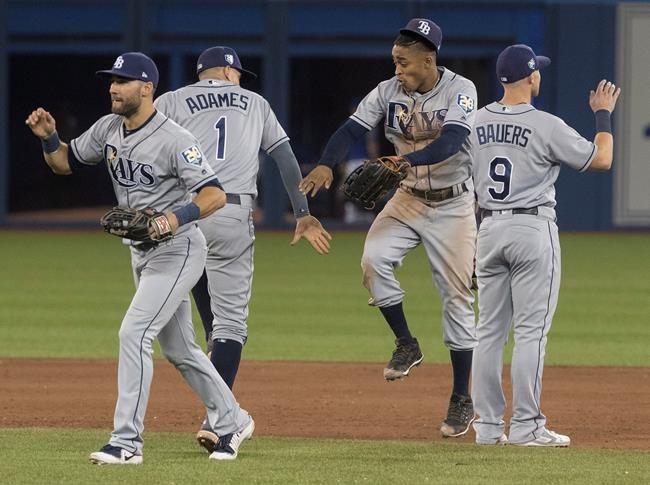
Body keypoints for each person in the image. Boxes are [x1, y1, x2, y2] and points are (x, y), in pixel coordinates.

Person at [25, 52, 255, 464]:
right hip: (142, 253)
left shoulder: (175, 138)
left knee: (134, 333)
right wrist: (49, 138)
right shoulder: (108, 128)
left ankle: (127, 443)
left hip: (179, 249)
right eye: (112, 80)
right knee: (181, 350)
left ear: (147, 88)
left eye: (123, 81)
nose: (113, 87)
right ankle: (233, 419)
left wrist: (172, 218)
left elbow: (214, 195)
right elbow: (63, 163)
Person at [299, 18, 478, 438]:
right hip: (408, 198)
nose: (397, 69)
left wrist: (405, 160)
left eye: (403, 62)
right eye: (394, 61)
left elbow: (452, 141)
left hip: (453, 205)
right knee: (373, 260)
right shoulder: (387, 91)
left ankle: (461, 398)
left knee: (457, 299)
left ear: (428, 60)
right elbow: (351, 129)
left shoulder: (461, 89)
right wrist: (326, 162)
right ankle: (406, 343)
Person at [153, 46, 331, 450]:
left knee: (204, 311)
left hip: (185, 212)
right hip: (231, 211)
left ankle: (213, 380)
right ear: (230, 73)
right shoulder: (255, 102)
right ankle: (219, 420)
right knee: (230, 324)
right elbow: (285, 159)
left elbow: (148, 151)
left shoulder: (171, 100)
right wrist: (302, 212)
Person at [470, 44, 621, 446]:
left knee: (488, 334)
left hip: (488, 228)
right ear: (532, 76)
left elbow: (466, 184)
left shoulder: (475, 122)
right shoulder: (545, 124)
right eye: (538, 70)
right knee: (531, 333)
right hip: (531, 228)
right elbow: (601, 159)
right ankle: (526, 426)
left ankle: (488, 428)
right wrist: (603, 113)